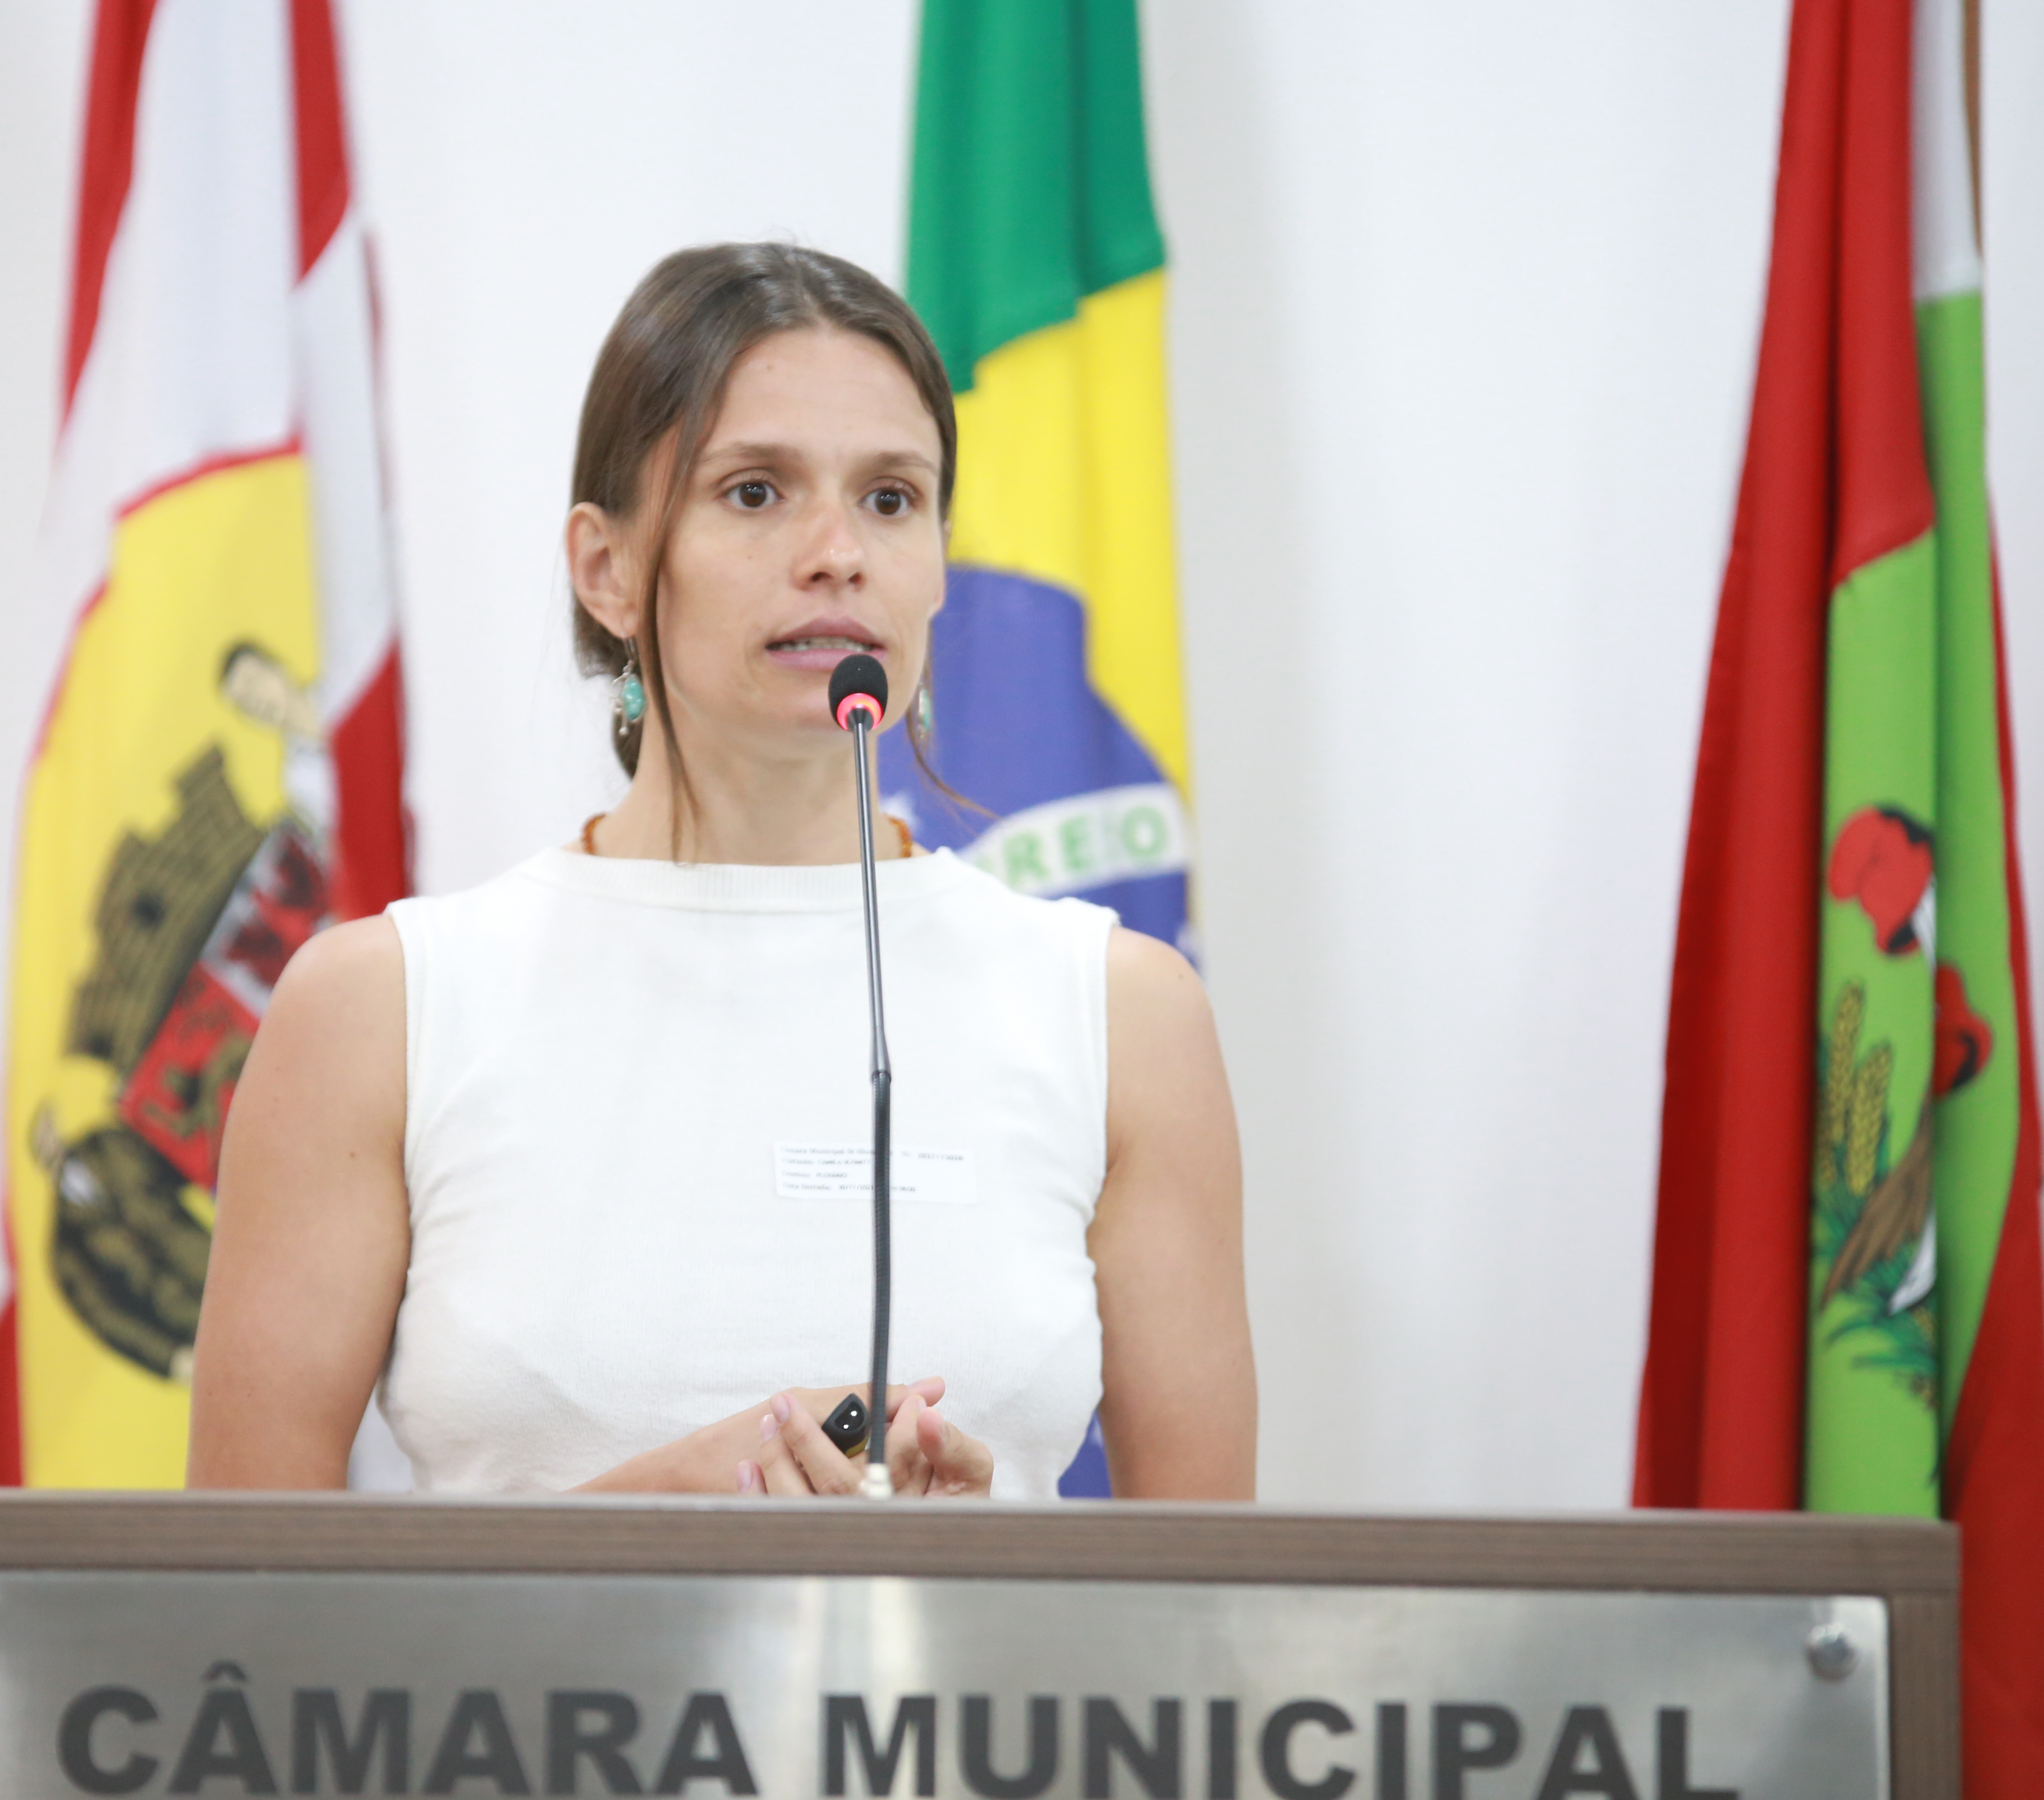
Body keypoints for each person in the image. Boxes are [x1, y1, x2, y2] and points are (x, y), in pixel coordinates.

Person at [188, 243, 1254, 1500]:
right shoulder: (381, 1004)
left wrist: (993, 1583)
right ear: (607, 570)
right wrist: (644, 1542)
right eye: (755, 493)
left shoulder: (1120, 1009)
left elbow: (1201, 1626)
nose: (838, 552)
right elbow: (246, 1616)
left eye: (892, 499)